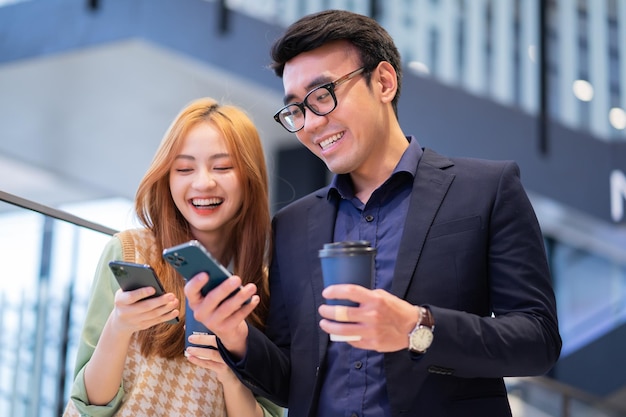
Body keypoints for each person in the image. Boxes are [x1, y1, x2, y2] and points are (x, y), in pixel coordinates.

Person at [184, 9, 562, 417]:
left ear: (383, 81)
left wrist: (418, 327)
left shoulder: (486, 189)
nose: (311, 123)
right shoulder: (292, 225)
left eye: (323, 95)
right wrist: (236, 334)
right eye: (296, 109)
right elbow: (291, 381)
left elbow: (537, 342)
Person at [63, 97, 283, 417]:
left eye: (222, 167)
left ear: (250, 178)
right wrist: (119, 326)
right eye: (184, 168)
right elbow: (89, 405)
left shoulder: (263, 290)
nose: (203, 182)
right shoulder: (129, 252)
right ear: (167, 177)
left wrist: (231, 376)